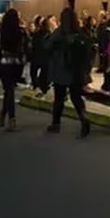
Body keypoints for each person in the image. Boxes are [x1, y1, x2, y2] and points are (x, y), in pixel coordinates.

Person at [46, 7, 90, 136]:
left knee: (59, 97)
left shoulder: (59, 33)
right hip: (76, 71)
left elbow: (47, 46)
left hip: (61, 69)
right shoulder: (79, 33)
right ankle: (83, 116)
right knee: (76, 97)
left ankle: (56, 123)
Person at [0, 9, 26, 130]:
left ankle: (11, 117)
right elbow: (23, 49)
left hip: (5, 63)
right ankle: (3, 114)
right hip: (17, 64)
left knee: (9, 90)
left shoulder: (1, 32)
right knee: (10, 90)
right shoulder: (21, 32)